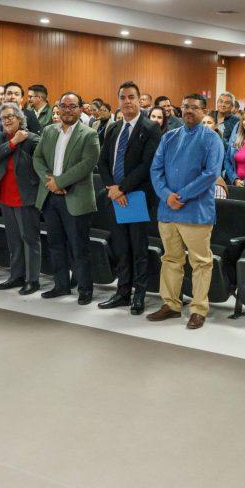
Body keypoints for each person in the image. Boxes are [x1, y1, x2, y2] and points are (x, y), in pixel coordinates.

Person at [147, 93, 224, 329]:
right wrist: (166, 195)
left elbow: (211, 174)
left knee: (200, 262)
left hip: (195, 212)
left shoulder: (211, 139)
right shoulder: (169, 136)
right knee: (170, 259)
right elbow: (155, 169)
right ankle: (171, 305)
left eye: (194, 107)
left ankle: (198, 309)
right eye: (185, 106)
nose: (188, 110)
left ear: (204, 111)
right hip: (168, 210)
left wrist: (180, 196)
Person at [98, 82, 162, 314]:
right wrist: (112, 188)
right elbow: (103, 161)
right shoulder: (114, 128)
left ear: (139, 100)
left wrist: (122, 188)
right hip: (115, 196)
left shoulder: (150, 127)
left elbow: (147, 165)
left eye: (131, 97)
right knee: (121, 248)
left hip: (136, 196)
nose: (127, 101)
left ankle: (139, 295)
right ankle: (122, 293)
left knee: (138, 249)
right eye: (123, 97)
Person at [32, 92, 100, 304]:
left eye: (72, 106)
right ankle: (61, 285)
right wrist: (49, 181)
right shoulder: (49, 131)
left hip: (76, 198)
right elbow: (37, 157)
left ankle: (85, 289)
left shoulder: (89, 134)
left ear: (80, 109)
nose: (67, 110)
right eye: (64, 106)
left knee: (79, 248)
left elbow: (87, 164)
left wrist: (60, 182)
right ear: (58, 108)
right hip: (50, 197)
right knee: (55, 244)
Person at [0, 102, 42, 294]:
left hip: (26, 198)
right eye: (3, 118)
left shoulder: (32, 139)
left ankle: (32, 280)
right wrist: (13, 142)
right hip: (5, 197)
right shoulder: (1, 138)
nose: (7, 120)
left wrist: (19, 140)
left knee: (30, 239)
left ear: (19, 118)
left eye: (10, 116)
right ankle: (16, 276)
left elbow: (40, 168)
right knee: (14, 240)